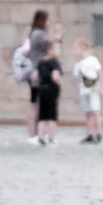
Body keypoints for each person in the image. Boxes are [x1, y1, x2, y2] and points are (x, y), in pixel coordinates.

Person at [18, 10, 55, 141]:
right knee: (38, 103)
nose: (49, 23)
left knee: (35, 102)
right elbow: (52, 48)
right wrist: (57, 35)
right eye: (48, 20)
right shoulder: (39, 34)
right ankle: (36, 133)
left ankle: (35, 133)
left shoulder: (33, 33)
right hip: (39, 73)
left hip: (35, 72)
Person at [74, 38, 103, 144]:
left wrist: (102, 86)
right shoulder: (78, 65)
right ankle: (90, 134)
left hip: (93, 88)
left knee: (96, 111)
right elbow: (77, 80)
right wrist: (76, 95)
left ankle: (99, 133)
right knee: (88, 113)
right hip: (84, 90)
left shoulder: (93, 60)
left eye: (77, 49)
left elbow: (100, 73)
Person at [31, 46, 64, 145]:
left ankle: (40, 137)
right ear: (50, 51)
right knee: (52, 115)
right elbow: (55, 77)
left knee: (42, 115)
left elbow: (35, 76)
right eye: (56, 49)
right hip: (51, 89)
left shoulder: (41, 62)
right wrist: (60, 84)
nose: (58, 50)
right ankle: (51, 138)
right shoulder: (55, 63)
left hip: (42, 89)